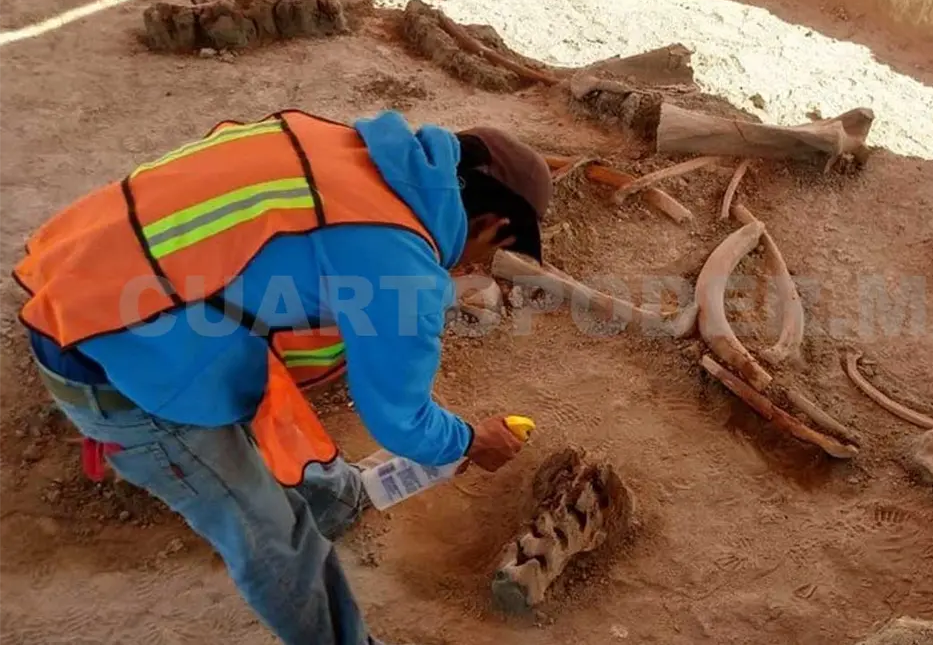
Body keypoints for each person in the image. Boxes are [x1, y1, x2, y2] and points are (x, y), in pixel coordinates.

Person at [14, 109, 553, 645]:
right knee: (275, 537)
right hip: (111, 366)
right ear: (492, 226)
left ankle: (337, 498)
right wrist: (467, 440)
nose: (472, 267)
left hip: (91, 279)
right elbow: (402, 424)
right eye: (489, 255)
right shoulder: (400, 266)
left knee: (274, 394)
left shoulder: (341, 147)